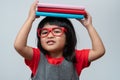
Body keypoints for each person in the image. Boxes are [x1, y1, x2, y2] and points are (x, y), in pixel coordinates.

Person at [14, 0, 105, 80]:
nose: (50, 36)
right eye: (44, 32)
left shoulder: (76, 57)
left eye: (57, 31)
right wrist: (30, 19)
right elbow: (19, 46)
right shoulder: (36, 57)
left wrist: (89, 26)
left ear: (68, 37)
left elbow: (99, 51)